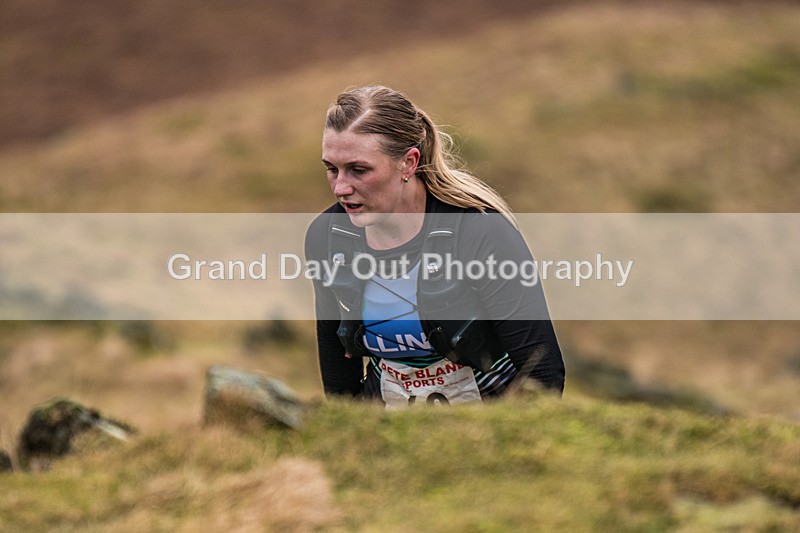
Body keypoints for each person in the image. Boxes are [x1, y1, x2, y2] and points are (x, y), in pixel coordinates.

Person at [304, 85, 564, 407]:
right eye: (332, 169)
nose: (341, 187)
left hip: (491, 427)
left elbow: (543, 372)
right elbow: (339, 378)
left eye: (359, 170)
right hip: (390, 432)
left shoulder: (479, 231)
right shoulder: (327, 237)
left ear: (408, 163)